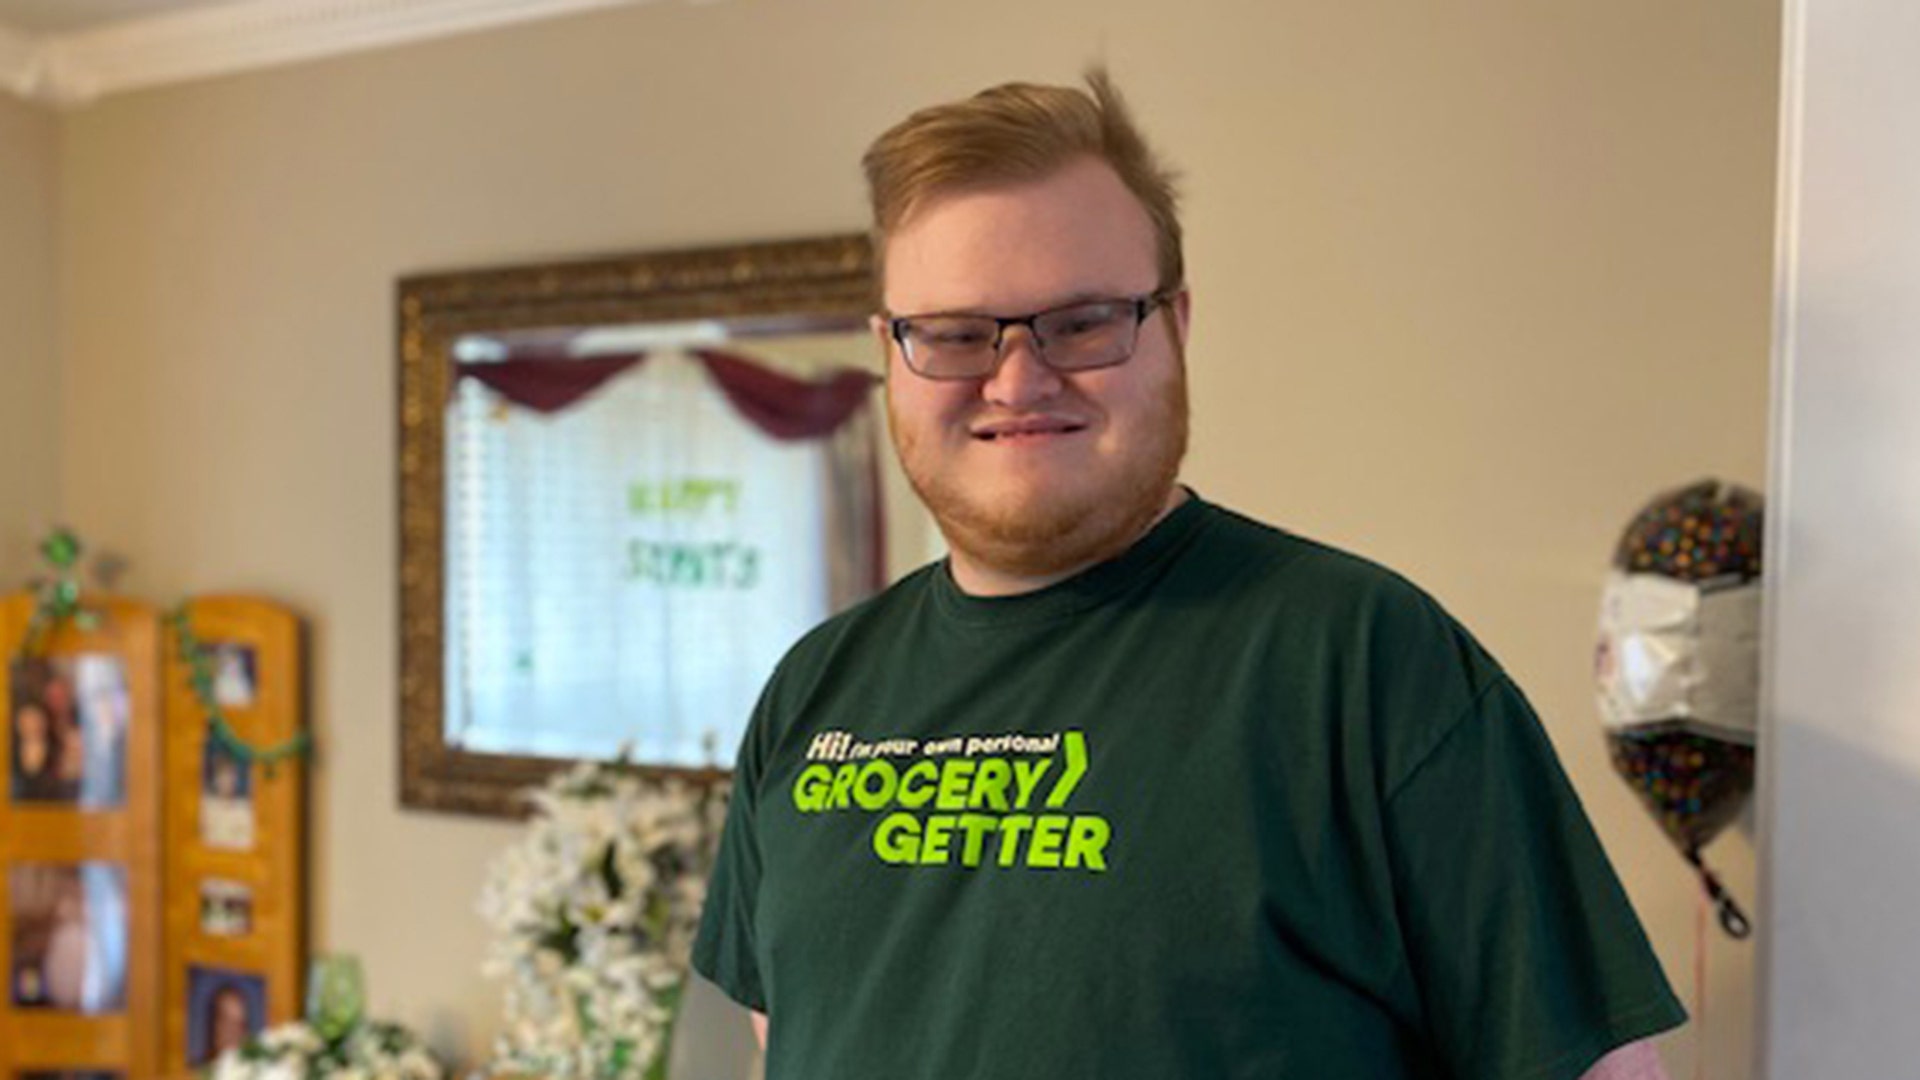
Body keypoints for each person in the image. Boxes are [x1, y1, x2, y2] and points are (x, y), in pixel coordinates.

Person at [692, 70, 1685, 1080]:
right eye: (954, 335)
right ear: (889, 353)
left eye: (1081, 321)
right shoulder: (814, 691)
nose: (1018, 379)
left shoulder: (1363, 663)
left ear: (1176, 323)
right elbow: (789, 1042)